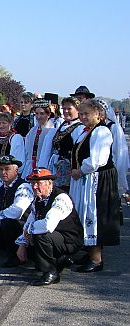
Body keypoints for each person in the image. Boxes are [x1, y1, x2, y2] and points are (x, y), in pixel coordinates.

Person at [70, 99, 121, 273]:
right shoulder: (85, 131)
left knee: (93, 215)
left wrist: (80, 170)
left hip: (96, 179)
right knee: (83, 214)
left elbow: (97, 160)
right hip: (86, 178)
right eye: (81, 114)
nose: (83, 117)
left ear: (98, 114)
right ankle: (89, 251)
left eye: (87, 114)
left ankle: (96, 259)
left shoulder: (101, 132)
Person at [16, 168, 83, 286]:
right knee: (28, 239)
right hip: (55, 237)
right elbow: (30, 220)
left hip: (69, 240)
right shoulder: (38, 199)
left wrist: (30, 229)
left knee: (40, 235)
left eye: (39, 183)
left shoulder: (61, 198)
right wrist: (22, 244)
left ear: (49, 183)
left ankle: (50, 272)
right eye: (33, 183)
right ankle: (61, 260)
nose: (35, 186)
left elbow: (48, 225)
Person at [0, 155, 34, 267]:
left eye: (7, 169)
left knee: (7, 222)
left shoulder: (23, 186)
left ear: (16, 171)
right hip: (8, 225)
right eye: (1, 169)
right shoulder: (2, 188)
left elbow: (17, 211)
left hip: (23, 227)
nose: (3, 172)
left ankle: (15, 257)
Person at [38, 97, 83, 192]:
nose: (66, 111)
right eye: (64, 108)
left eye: (69, 108)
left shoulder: (79, 127)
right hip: (56, 167)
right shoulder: (63, 125)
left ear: (77, 109)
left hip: (68, 170)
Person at [21, 99, 55, 179]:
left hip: (44, 167)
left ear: (48, 114)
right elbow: (26, 151)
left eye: (42, 114)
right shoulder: (32, 131)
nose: (38, 117)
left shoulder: (52, 131)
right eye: (36, 113)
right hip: (30, 167)